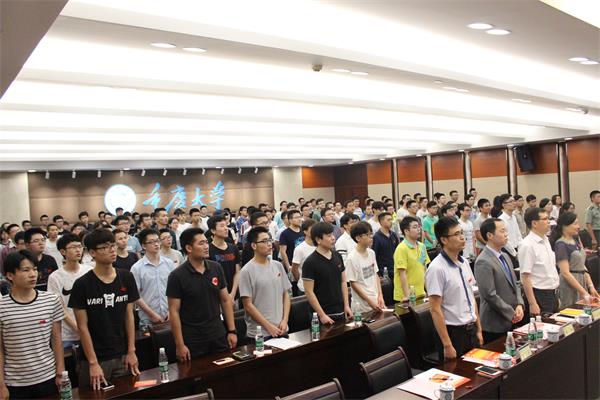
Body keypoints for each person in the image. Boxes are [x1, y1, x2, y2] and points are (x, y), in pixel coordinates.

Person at [68, 229, 140, 390]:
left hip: (123, 354)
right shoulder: (82, 284)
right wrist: (93, 363)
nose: (112, 250)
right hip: (94, 358)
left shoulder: (126, 277)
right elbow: (82, 327)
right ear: (92, 252)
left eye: (112, 245)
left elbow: (129, 316)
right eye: (105, 247)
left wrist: (131, 350)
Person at [0, 251, 65, 399]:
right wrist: (1, 385)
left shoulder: (51, 300)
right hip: (15, 383)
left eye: (34, 269)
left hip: (48, 377)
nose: (33, 274)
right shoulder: (2, 306)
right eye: (25, 270)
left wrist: (60, 371)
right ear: (10, 275)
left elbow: (57, 339)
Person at [167, 228, 237, 360]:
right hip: (193, 339)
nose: (206, 246)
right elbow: (174, 311)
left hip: (218, 334)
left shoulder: (216, 267)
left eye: (206, 242)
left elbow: (225, 300)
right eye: (201, 243)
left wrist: (232, 330)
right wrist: (180, 345)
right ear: (189, 248)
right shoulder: (177, 276)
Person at [426, 217, 482, 361]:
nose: (462, 237)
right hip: (453, 333)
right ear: (444, 240)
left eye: (462, 232)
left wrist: (478, 328)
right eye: (457, 234)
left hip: (471, 329)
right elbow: (435, 309)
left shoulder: (464, 263)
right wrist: (447, 345)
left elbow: (471, 297)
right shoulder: (436, 268)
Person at [474, 219, 524, 343]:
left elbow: (516, 283)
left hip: (513, 317)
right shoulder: (483, 261)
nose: (506, 234)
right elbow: (489, 295)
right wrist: (510, 313)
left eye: (506, 230)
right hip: (495, 323)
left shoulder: (505, 256)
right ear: (490, 235)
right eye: (502, 231)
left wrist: (519, 304)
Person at [239, 227, 291, 341]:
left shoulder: (277, 265)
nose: (269, 244)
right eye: (264, 241)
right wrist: (268, 326)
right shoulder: (246, 271)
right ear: (254, 246)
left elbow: (286, 294)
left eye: (270, 240)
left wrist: (285, 320)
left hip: (281, 328)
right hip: (259, 333)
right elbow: (248, 305)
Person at [47, 234, 93, 349]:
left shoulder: (90, 271)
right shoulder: (55, 277)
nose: (78, 250)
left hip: (91, 329)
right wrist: (78, 328)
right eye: (73, 247)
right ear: (63, 251)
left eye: (80, 246)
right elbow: (59, 307)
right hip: (67, 334)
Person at [302, 222, 353, 324]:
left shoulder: (337, 256)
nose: (333, 238)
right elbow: (309, 292)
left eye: (332, 234)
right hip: (323, 314)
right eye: (329, 236)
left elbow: (343, 281)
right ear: (318, 240)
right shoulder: (310, 262)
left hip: (341, 310)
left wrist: (346, 305)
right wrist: (322, 315)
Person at [550, 212, 600, 307]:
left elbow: (582, 265)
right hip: (569, 284)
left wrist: (591, 286)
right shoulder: (560, 244)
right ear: (565, 226)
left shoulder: (575, 240)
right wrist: (583, 292)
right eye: (575, 224)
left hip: (581, 281)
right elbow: (565, 273)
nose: (578, 227)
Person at [518, 207, 559, 315]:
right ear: (534, 223)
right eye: (545, 219)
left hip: (553, 292)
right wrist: (532, 303)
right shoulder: (527, 245)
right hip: (539, 295)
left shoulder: (546, 240)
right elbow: (525, 277)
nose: (548, 222)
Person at [131, 229, 175, 324]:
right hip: (147, 319)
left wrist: (171, 310)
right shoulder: (137, 268)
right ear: (143, 246)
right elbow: (136, 295)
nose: (156, 244)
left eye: (157, 241)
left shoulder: (169, 263)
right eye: (151, 242)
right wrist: (152, 314)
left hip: (170, 315)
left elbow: (175, 289)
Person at [346, 222, 385, 313]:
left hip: (376, 300)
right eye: (367, 235)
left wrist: (380, 295)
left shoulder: (371, 253)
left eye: (371, 234)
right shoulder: (352, 258)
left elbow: (375, 274)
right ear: (358, 238)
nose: (371, 237)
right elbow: (353, 283)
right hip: (362, 306)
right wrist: (369, 301)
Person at [394, 216, 430, 302]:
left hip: (421, 293)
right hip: (406, 296)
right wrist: (408, 295)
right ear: (406, 231)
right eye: (415, 227)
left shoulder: (422, 246)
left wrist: (429, 291)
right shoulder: (401, 248)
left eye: (419, 226)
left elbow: (424, 269)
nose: (418, 229)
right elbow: (402, 274)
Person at [208, 215, 241, 302]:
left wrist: (232, 294)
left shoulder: (233, 248)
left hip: (234, 295)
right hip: (216, 297)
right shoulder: (208, 250)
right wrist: (225, 296)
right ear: (213, 230)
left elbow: (237, 272)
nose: (226, 228)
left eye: (226, 225)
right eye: (222, 226)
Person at [372, 212, 400, 280]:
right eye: (388, 220)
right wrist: (378, 273)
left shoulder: (393, 235)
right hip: (383, 272)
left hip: (395, 270)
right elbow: (374, 255)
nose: (391, 222)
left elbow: (398, 251)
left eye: (391, 219)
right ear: (381, 222)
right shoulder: (376, 237)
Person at [291, 219, 316, 295]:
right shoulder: (300, 249)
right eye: (312, 229)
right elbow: (294, 269)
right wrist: (300, 280)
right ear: (305, 231)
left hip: (319, 287)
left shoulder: (320, 246)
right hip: (304, 289)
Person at [497, 194, 522, 258]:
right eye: (511, 201)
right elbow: (505, 240)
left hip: (517, 249)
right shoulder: (501, 220)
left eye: (514, 201)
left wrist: (521, 248)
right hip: (507, 251)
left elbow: (518, 234)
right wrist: (514, 253)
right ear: (504, 205)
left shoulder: (513, 217)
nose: (514, 203)